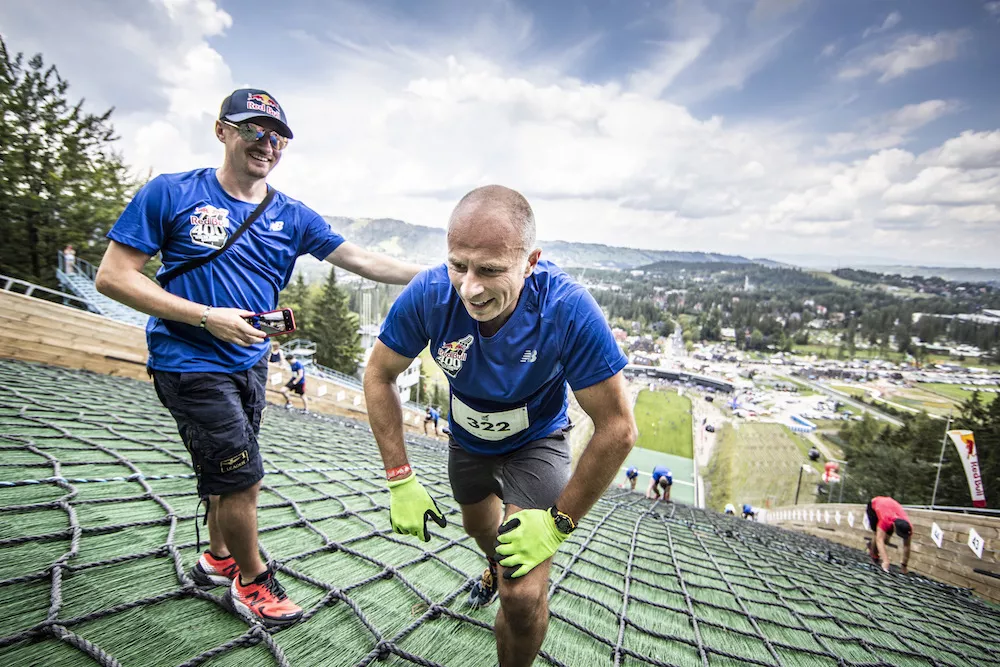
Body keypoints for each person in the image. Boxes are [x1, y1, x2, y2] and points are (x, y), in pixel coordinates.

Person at [95, 87, 423, 628]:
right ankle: (252, 580)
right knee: (243, 477)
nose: (266, 144)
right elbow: (113, 277)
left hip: (250, 364)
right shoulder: (171, 192)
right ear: (221, 130)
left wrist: (443, 275)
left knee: (229, 470)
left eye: (277, 138)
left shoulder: (292, 215)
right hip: (187, 359)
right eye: (253, 129)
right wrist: (206, 316)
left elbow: (362, 260)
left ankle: (218, 558)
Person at [363, 185, 637, 667]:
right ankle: (493, 562)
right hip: (466, 442)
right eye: (458, 265)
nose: (470, 288)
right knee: (477, 527)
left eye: (490, 270)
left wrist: (558, 524)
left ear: (530, 262)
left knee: (522, 595)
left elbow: (618, 428)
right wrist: (399, 477)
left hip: (536, 443)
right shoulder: (430, 292)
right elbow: (378, 374)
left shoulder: (567, 309)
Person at [866, 496, 912, 573]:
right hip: (874, 505)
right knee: (878, 536)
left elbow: (907, 546)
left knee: (886, 541)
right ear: (894, 526)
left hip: (889, 509)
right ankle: (874, 556)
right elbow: (879, 539)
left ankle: (871, 545)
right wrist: (886, 561)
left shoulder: (908, 526)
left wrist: (904, 565)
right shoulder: (885, 520)